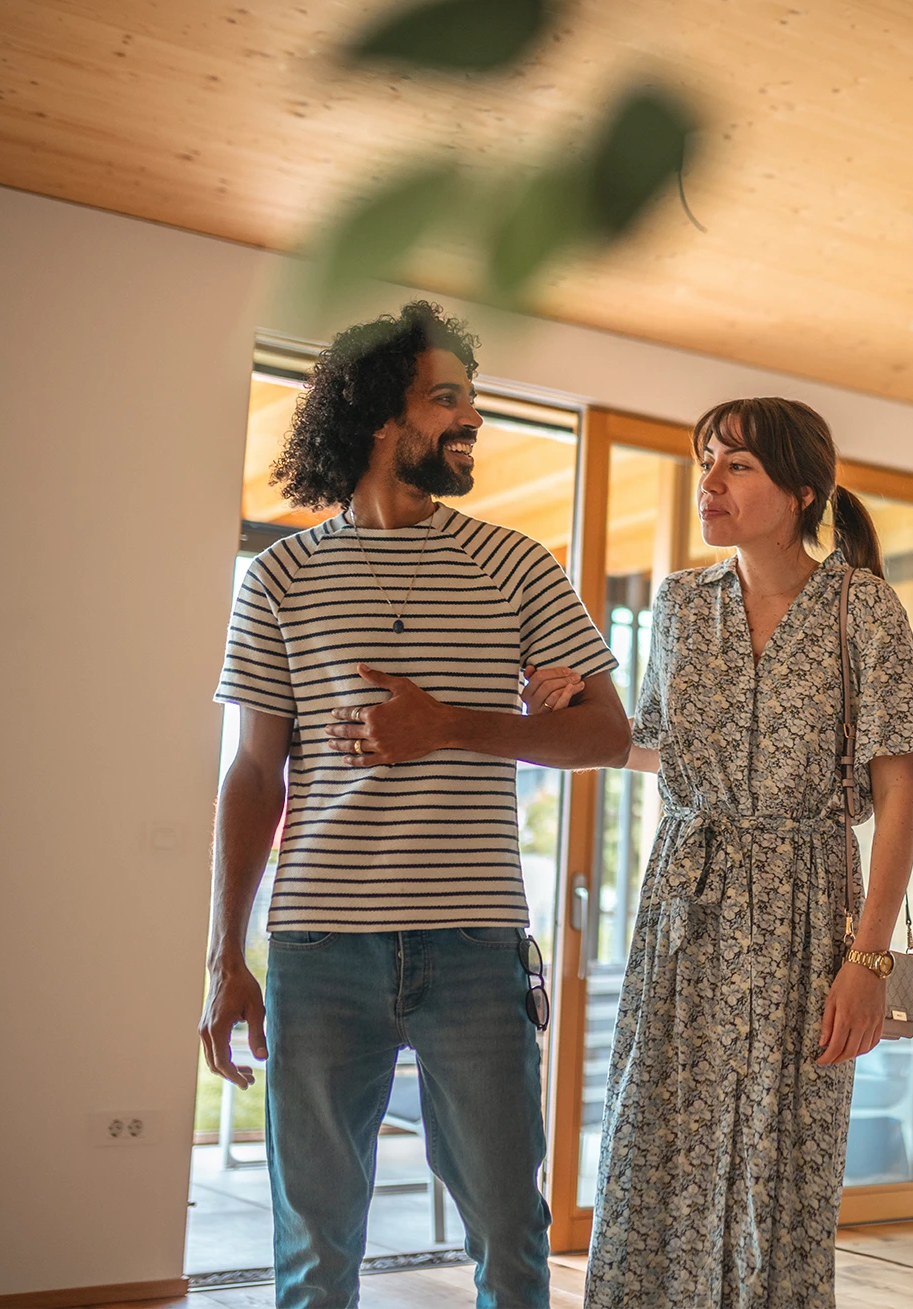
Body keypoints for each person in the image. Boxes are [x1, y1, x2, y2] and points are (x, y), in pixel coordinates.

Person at [200, 301, 631, 1309]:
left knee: (510, 1236)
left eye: (471, 403)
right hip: (317, 949)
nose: (467, 421)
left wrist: (453, 726)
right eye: (447, 401)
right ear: (376, 415)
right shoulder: (280, 578)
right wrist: (227, 956)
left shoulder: (516, 565)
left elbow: (605, 734)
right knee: (313, 1244)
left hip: (474, 948)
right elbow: (252, 773)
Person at [565, 397, 913, 1309]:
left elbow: (898, 800)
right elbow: (656, 744)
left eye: (736, 466)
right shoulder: (682, 604)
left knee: (782, 1168)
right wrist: (574, 710)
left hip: (808, 909)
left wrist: (867, 957)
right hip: (685, 902)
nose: (710, 482)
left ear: (800, 490)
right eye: (705, 462)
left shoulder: (862, 607)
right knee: (658, 1142)